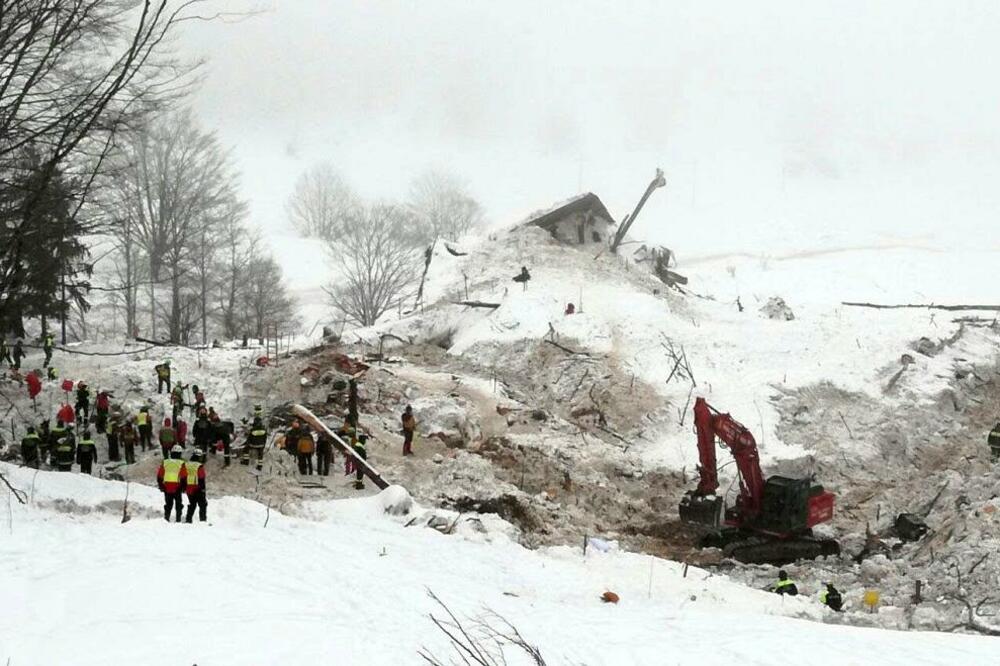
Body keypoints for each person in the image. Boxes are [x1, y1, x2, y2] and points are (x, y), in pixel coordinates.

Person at [157, 445, 186, 522]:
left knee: (168, 504)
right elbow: (183, 477)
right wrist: (183, 487)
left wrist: (161, 485)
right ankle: (178, 520)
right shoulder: (181, 463)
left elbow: (159, 475)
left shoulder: (165, 462)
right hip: (177, 487)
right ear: (179, 454)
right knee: (178, 504)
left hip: (167, 487)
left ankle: (166, 519)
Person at [183, 449, 208, 523]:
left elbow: (182, 476)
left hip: (188, 488)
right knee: (203, 504)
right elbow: (201, 478)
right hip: (197, 487)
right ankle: (203, 520)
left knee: (192, 504)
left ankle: (188, 519)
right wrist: (203, 489)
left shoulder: (186, 464)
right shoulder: (199, 466)